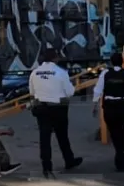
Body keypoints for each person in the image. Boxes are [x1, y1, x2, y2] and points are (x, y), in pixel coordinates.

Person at [28, 48, 83, 178]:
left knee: (44, 138)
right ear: (55, 58)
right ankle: (69, 160)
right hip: (58, 108)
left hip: (41, 108)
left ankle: (46, 167)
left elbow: (32, 92)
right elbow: (70, 92)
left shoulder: (35, 73)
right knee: (62, 136)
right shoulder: (61, 73)